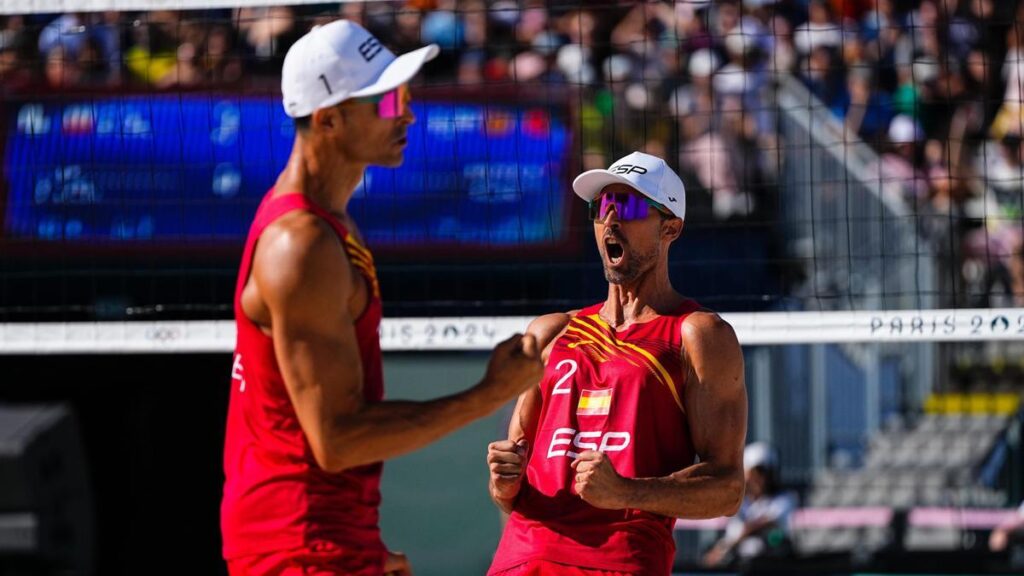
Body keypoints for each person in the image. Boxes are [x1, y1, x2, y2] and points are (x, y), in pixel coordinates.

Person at [221, 20, 544, 576]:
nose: (409, 113)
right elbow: (337, 442)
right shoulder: (299, 245)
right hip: (299, 547)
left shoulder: (328, 223)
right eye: (390, 99)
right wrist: (488, 395)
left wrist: (364, 547)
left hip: (324, 538)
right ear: (329, 119)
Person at [486, 151, 748, 576]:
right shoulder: (551, 332)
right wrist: (503, 479)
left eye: (626, 206)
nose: (609, 219)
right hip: (524, 557)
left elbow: (727, 489)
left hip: (619, 561)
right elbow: (508, 490)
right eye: (600, 207)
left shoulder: (697, 333)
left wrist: (626, 491)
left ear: (670, 227)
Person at [702, 442, 796, 567]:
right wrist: (718, 553)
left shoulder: (785, 499)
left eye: (763, 472)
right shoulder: (737, 502)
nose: (759, 478)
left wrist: (730, 545)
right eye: (754, 472)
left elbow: (764, 524)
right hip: (738, 566)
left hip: (771, 567)